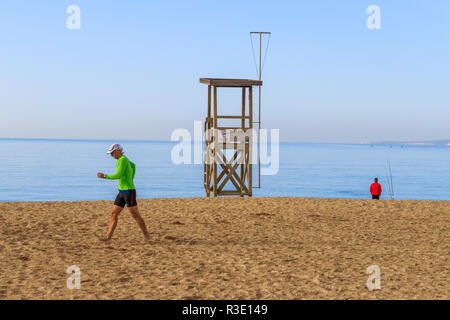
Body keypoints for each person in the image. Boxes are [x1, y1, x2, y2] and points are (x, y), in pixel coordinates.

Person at [97, 144, 150, 243]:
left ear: (118, 151)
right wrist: (130, 178)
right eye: (110, 153)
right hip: (121, 191)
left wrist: (104, 176)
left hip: (129, 192)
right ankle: (108, 237)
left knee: (135, 215)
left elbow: (118, 175)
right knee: (113, 213)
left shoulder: (123, 160)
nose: (111, 155)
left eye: (112, 153)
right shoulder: (122, 160)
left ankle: (146, 236)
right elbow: (133, 166)